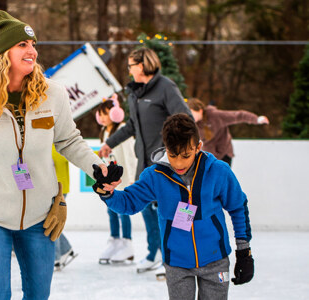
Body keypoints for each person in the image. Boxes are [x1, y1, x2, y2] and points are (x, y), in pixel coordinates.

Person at [0, 10, 106, 300]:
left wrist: (99, 169)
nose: (32, 51)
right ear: (4, 53)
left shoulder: (53, 94)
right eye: (23, 45)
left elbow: (69, 140)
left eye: (33, 44)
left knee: (38, 295)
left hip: (41, 215)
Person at [95, 113, 254, 299]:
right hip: (177, 263)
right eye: (173, 155)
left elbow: (238, 207)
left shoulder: (218, 172)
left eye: (186, 155)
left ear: (198, 147)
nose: (179, 163)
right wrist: (108, 193)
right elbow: (129, 202)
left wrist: (244, 251)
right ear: (166, 148)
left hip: (215, 259)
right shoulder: (155, 176)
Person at [99, 47, 192, 274]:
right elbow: (132, 126)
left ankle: (176, 257)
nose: (129, 70)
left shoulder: (165, 88)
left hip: (169, 162)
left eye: (131, 65)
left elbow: (185, 119)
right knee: (148, 209)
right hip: (145, 162)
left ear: (142, 65)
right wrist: (110, 142)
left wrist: (181, 153)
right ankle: (155, 253)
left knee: (176, 208)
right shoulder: (135, 94)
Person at [95, 94, 137, 264]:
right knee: (111, 210)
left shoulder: (123, 129)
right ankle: (115, 240)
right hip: (109, 179)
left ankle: (127, 243)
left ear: (116, 113)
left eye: (106, 113)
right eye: (101, 114)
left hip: (124, 180)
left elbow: (129, 155)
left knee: (123, 211)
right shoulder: (105, 132)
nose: (103, 118)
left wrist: (133, 178)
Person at [186, 97, 269, 166]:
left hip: (224, 153)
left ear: (200, 110)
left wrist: (257, 119)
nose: (190, 116)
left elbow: (238, 115)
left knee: (222, 181)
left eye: (191, 112)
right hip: (209, 156)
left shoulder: (216, 115)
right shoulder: (192, 123)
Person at [52, 145, 78, 270]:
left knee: (53, 221)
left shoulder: (58, 144)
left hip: (59, 189)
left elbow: (63, 158)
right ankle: (66, 249)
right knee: (51, 221)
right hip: (49, 189)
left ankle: (56, 258)